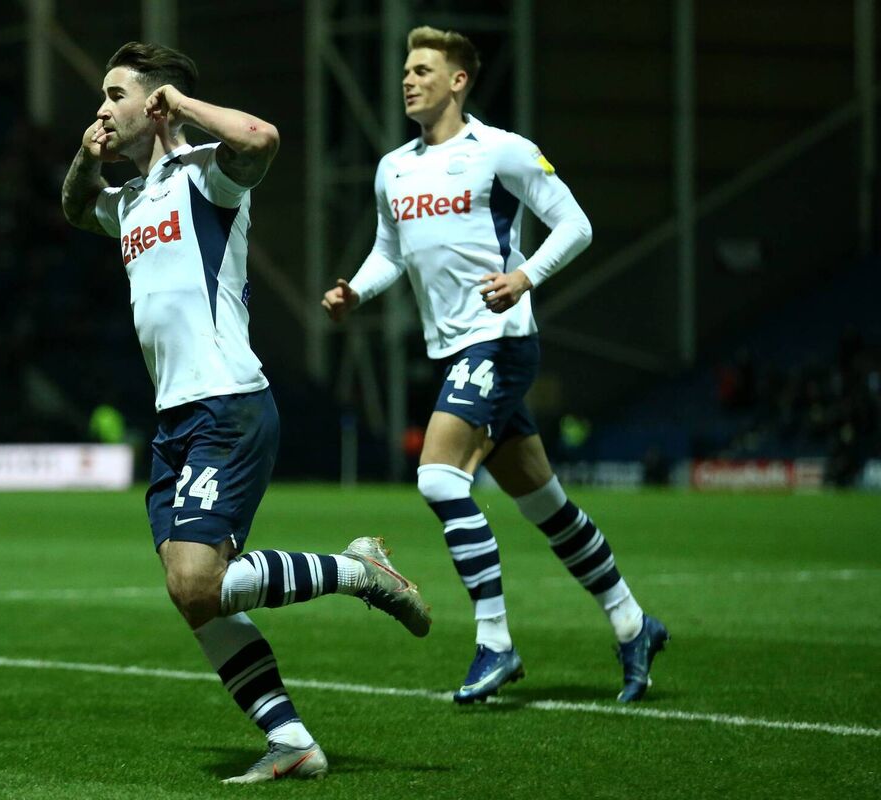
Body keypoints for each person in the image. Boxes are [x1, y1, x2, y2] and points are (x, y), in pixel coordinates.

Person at [61, 42, 431, 783]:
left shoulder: (207, 178)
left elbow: (262, 139)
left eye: (115, 94)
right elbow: (75, 209)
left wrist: (186, 110)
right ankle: (290, 741)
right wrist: (83, 156)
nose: (100, 108)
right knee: (192, 596)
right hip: (174, 419)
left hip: (225, 401)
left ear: (156, 103)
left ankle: (356, 570)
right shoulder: (130, 199)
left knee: (200, 584)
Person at [322, 26, 669, 705]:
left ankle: (496, 643)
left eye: (423, 69)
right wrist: (355, 290)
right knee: (546, 505)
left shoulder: (501, 151)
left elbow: (575, 224)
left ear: (459, 81)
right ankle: (633, 622)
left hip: (499, 338)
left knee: (438, 476)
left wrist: (525, 277)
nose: (408, 79)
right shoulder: (393, 167)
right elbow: (390, 251)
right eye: (405, 70)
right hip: (454, 347)